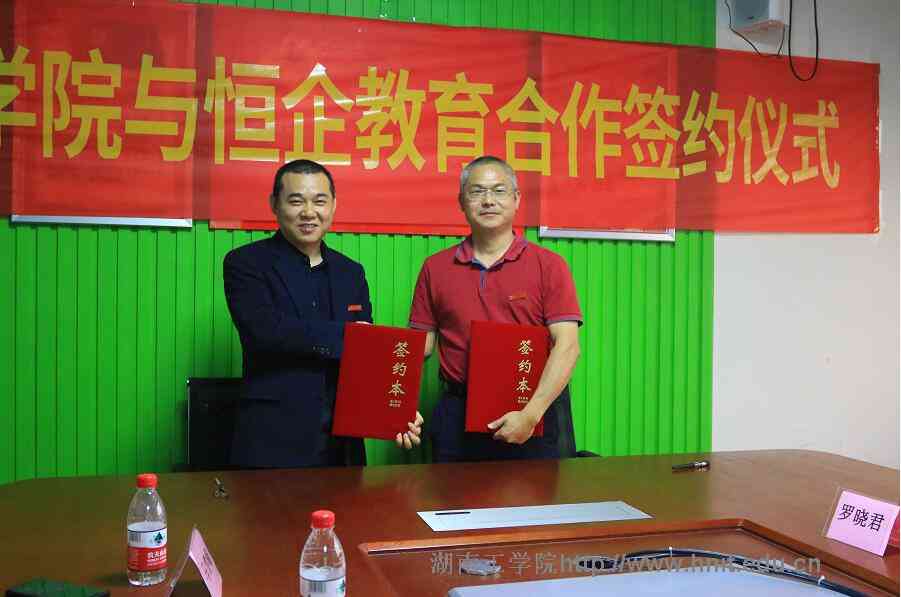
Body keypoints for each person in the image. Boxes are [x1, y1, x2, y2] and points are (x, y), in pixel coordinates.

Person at [224, 159, 422, 468]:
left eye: (319, 201)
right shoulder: (246, 263)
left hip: (343, 444)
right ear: (274, 204)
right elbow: (265, 332)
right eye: (296, 201)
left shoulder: (351, 272)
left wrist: (397, 409)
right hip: (271, 439)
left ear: (333, 205)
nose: (308, 212)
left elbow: (365, 356)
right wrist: (351, 335)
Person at [409, 156, 582, 463]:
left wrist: (531, 415)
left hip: (531, 411)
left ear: (516, 200)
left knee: (531, 496)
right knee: (450, 494)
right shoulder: (435, 268)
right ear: (461, 202)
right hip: (456, 416)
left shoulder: (549, 265)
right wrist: (396, 406)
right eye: (477, 191)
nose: (488, 200)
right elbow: (419, 347)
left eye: (499, 191)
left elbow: (568, 346)